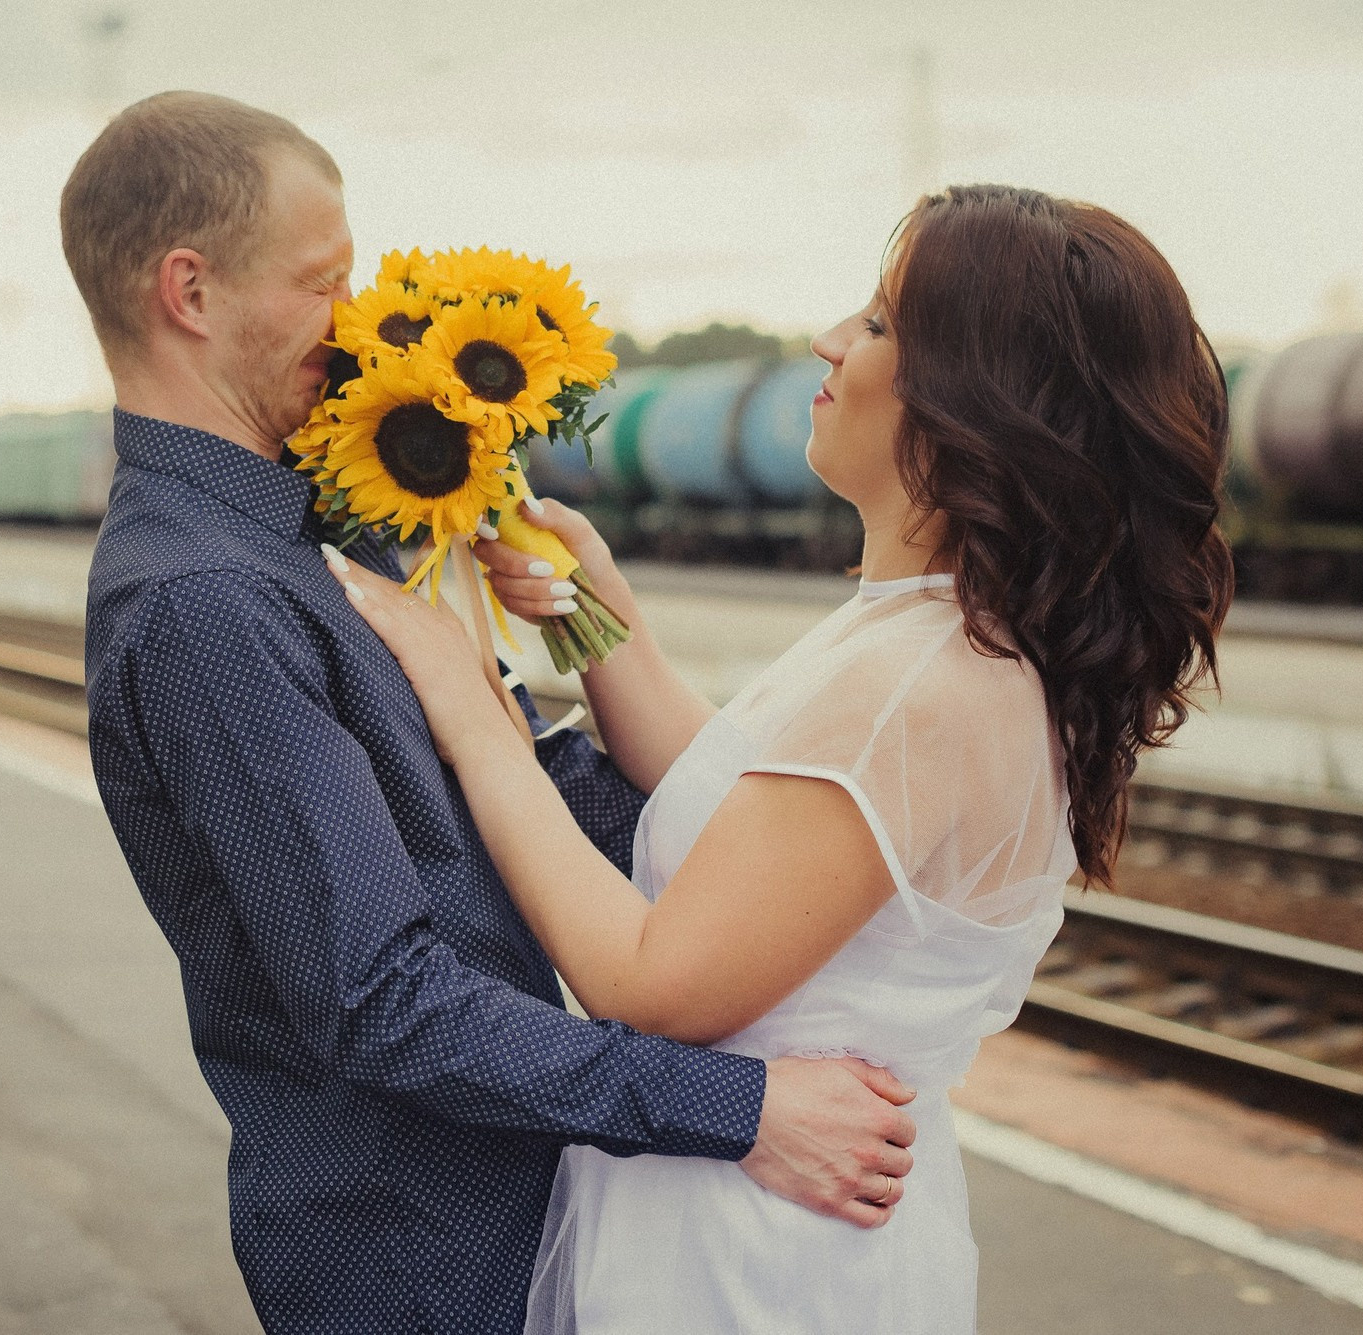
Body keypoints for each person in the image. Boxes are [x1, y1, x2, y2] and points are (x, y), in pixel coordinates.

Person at [66, 91, 922, 1334]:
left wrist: (793, 816)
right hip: (420, 1259)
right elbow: (379, 1000)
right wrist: (743, 1113)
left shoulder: (315, 542)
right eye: (322, 282)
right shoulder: (206, 605)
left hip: (515, 1218)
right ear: (188, 294)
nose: (355, 323)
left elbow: (528, 801)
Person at [329, 183, 1236, 1332]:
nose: (827, 341)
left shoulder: (914, 682)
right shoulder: (927, 634)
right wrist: (599, 622)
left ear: (970, 397)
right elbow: (746, 813)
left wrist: (462, 702)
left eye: (875, 323)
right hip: (777, 1232)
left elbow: (652, 985)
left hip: (754, 1268)